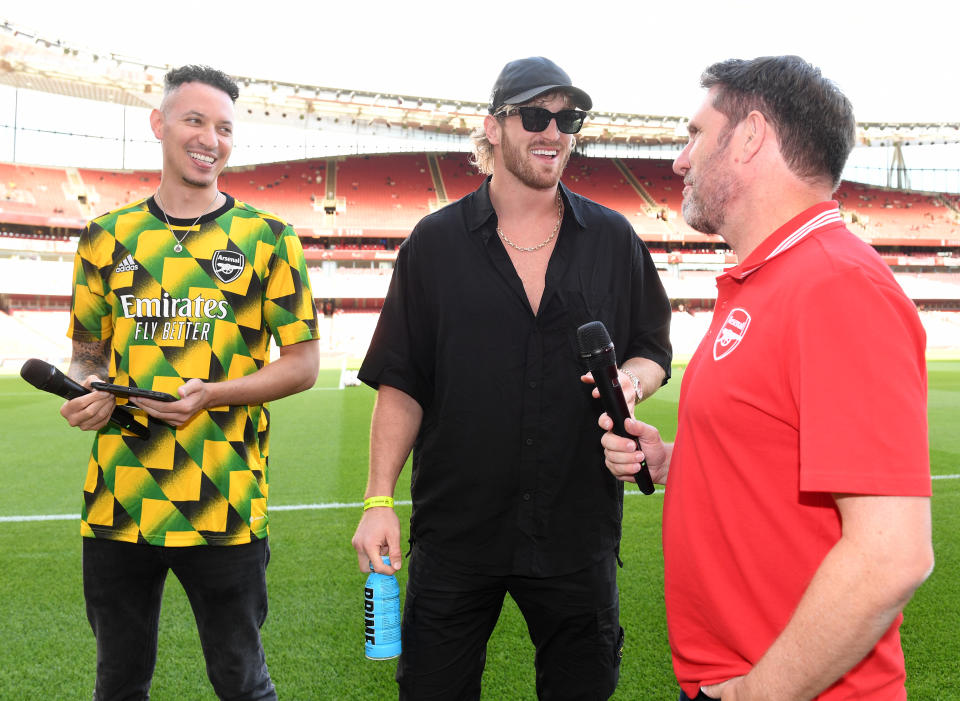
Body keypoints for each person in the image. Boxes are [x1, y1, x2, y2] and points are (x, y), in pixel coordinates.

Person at [599, 55, 933, 701]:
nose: (680, 159)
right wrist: (673, 461)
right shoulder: (771, 280)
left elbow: (894, 553)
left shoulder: (835, 286)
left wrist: (762, 691)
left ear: (750, 136)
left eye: (695, 134)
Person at [351, 56, 672, 700]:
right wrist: (378, 500)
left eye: (567, 118)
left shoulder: (614, 238)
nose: (553, 132)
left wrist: (631, 383)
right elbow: (402, 382)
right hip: (457, 533)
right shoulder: (433, 245)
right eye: (535, 115)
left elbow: (651, 350)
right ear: (493, 128)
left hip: (576, 530)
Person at [60, 65, 320, 701]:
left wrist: (214, 393)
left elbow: (304, 363)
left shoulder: (269, 239)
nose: (211, 138)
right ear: (160, 125)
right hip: (119, 501)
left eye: (225, 128)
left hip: (223, 498)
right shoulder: (106, 237)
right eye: (196, 120)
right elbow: (86, 355)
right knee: (118, 684)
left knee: (242, 681)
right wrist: (86, 392)